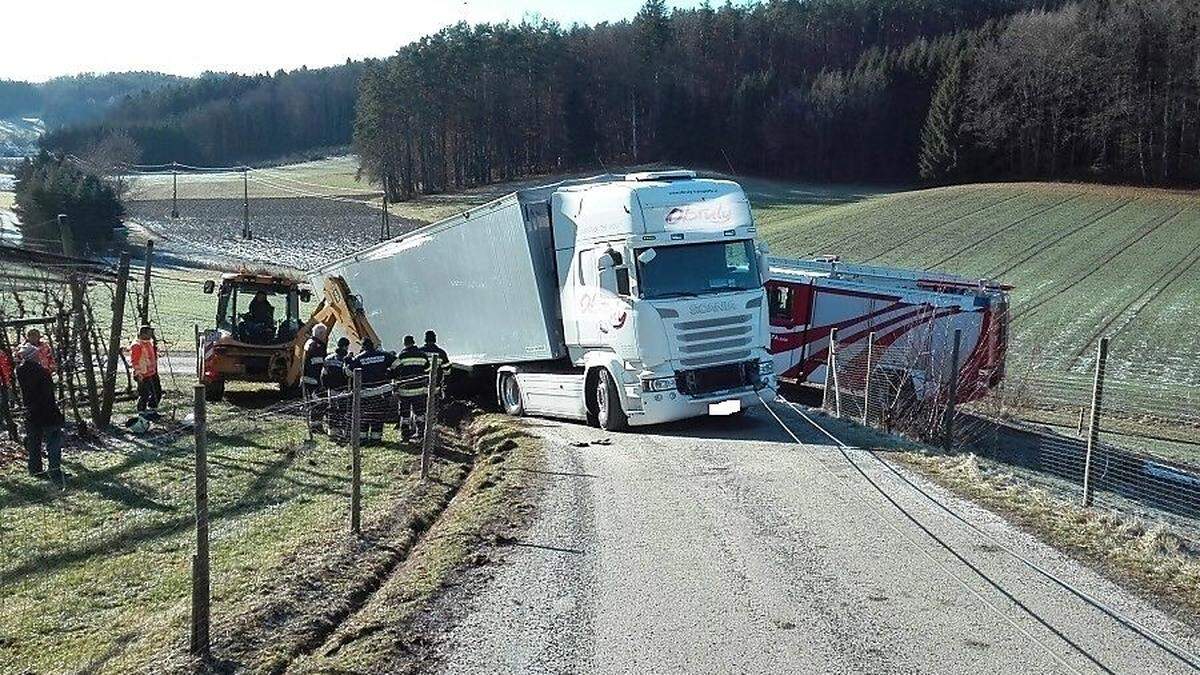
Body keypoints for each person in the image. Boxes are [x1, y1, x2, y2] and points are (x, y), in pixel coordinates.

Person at [15, 343, 65, 481]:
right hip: (47, 412)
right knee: (53, 442)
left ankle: (35, 469)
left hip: (31, 410)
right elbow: (48, 395)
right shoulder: (43, 372)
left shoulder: (20, 371)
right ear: (34, 356)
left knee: (34, 442)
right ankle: (54, 471)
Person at [346, 337, 396, 445]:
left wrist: (348, 362)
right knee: (378, 416)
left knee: (364, 416)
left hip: (365, 393)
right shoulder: (384, 355)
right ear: (373, 345)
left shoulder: (359, 358)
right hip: (381, 392)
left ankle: (362, 440)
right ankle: (376, 440)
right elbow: (398, 365)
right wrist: (389, 374)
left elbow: (349, 372)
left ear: (363, 347)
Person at [395, 335, 431, 441]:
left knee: (405, 415)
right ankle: (421, 434)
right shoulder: (422, 355)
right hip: (419, 390)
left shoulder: (401, 356)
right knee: (420, 413)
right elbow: (428, 369)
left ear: (405, 343)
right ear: (414, 342)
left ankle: (405, 436)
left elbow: (396, 371)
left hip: (405, 391)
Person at [322, 337, 351, 443]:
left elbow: (323, 375)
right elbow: (349, 374)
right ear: (345, 346)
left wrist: (327, 387)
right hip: (343, 390)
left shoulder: (328, 359)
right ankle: (343, 431)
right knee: (343, 411)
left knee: (332, 410)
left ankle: (332, 431)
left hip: (331, 389)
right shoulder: (346, 359)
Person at [301, 324, 329, 433]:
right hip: (314, 380)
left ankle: (314, 425)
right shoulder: (317, 346)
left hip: (307, 378)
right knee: (319, 402)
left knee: (313, 403)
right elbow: (318, 364)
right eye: (325, 334)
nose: (325, 337)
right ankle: (316, 427)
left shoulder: (309, 343)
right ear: (321, 334)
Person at [129, 325, 162, 414]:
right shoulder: (137, 345)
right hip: (142, 374)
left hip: (151, 372)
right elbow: (134, 361)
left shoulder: (148, 343)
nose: (151, 335)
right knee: (144, 394)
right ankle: (141, 412)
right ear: (143, 334)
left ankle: (152, 409)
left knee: (157, 392)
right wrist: (138, 374)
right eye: (149, 333)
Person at [0, 346, 15, 440]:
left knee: (5, 407)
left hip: (3, 385)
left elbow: (6, 369)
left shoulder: (1, 354)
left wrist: (7, 383)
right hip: (3, 385)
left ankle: (10, 433)